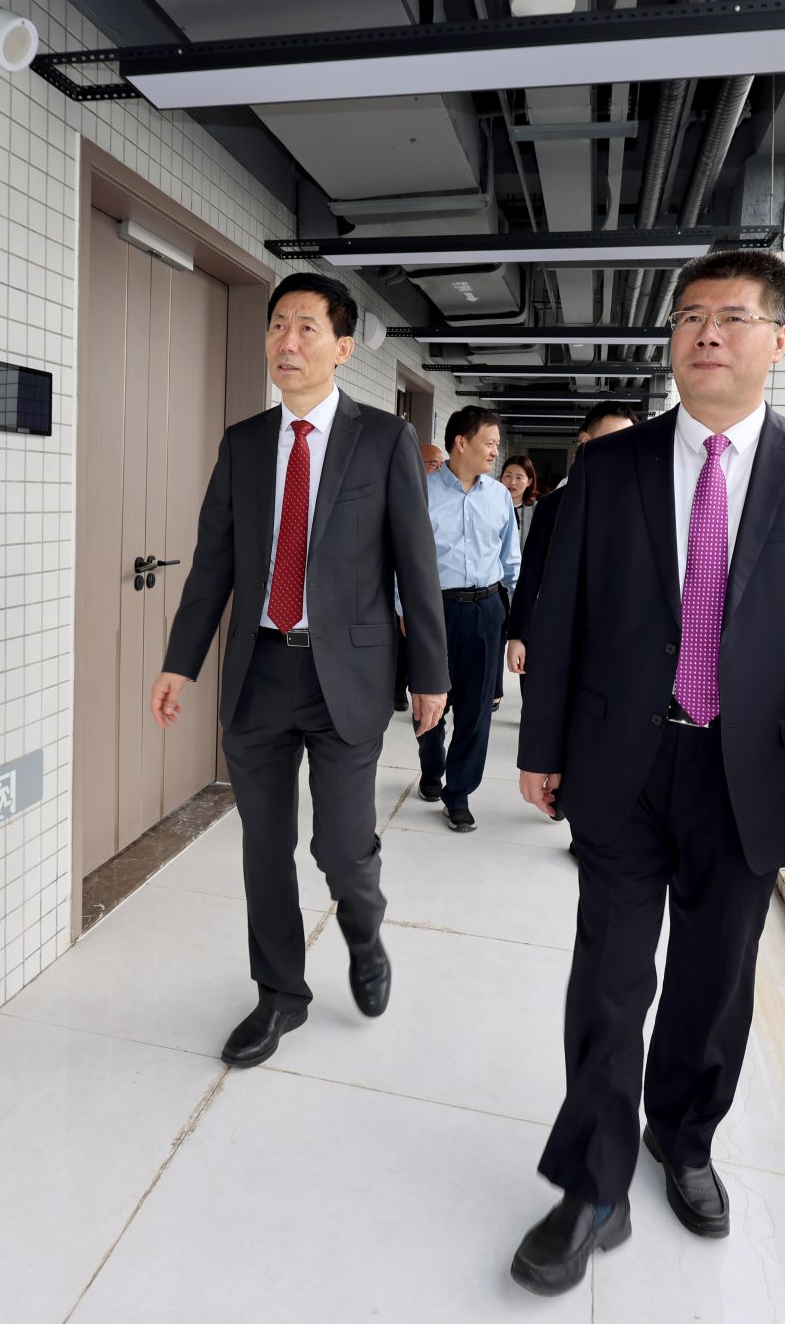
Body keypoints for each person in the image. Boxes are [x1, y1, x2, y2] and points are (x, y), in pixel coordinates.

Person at [508, 251, 785, 1296]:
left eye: (734, 317)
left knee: (715, 982)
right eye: (690, 316)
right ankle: (592, 1184)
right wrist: (540, 746)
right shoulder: (607, 470)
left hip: (751, 771)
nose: (707, 332)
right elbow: (562, 615)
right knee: (608, 978)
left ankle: (683, 1137)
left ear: (777, 339)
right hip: (623, 762)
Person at [151, 273, 449, 1070]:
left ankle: (363, 927)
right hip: (258, 673)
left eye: (306, 327)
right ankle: (281, 991)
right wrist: (181, 662)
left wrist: (431, 672)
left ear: (343, 348)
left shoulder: (382, 439)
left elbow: (415, 563)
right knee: (265, 846)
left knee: (342, 847)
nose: (287, 341)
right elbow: (213, 564)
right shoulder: (244, 443)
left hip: (345, 674)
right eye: (277, 325)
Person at [414, 405, 520, 832]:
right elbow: (401, 559)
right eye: (489, 443)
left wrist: (516, 618)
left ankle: (458, 794)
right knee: (429, 697)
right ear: (461, 442)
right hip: (435, 610)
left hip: (487, 609)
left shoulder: (498, 496)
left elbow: (511, 561)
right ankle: (431, 767)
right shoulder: (420, 491)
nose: (495, 452)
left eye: (497, 444)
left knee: (477, 709)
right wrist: (404, 610)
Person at [503, 402, 638, 684]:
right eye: (612, 439)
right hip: (553, 637)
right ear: (585, 440)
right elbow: (531, 573)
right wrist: (518, 635)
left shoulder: (638, 507)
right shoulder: (551, 507)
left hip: (615, 642)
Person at [394, 442, 448, 715]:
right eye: (432, 463)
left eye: (440, 463)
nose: (438, 468)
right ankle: (397, 690)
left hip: (433, 591)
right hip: (400, 591)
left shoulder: (441, 495)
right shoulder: (406, 493)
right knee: (402, 647)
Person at [493, 454, 542, 710]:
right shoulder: (492, 504)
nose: (512, 482)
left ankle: (529, 699)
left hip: (527, 587)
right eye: (507, 476)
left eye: (519, 477)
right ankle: (494, 690)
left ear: (529, 481)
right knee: (496, 638)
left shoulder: (537, 510)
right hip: (497, 584)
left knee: (524, 640)